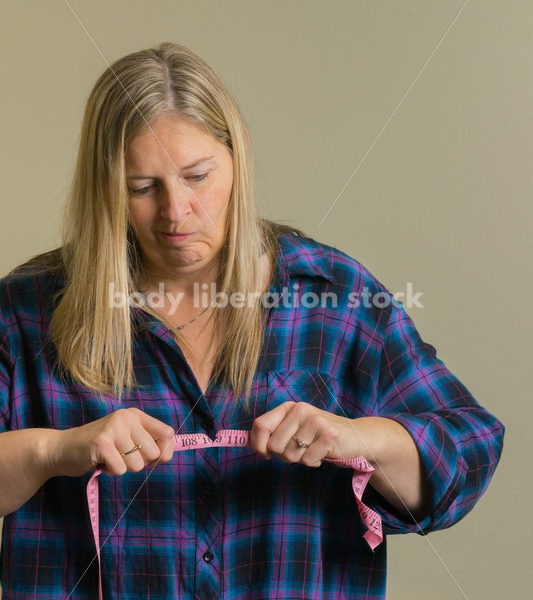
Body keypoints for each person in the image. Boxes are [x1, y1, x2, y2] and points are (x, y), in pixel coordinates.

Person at [0, 41, 504, 600]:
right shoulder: (26, 313)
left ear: (235, 159)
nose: (175, 212)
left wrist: (357, 438)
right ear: (106, 189)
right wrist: (54, 451)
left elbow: (470, 449)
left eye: (197, 177)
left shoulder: (335, 297)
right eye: (142, 188)